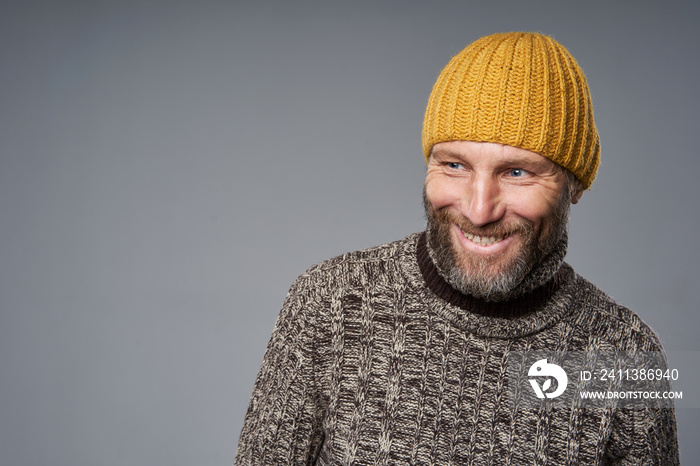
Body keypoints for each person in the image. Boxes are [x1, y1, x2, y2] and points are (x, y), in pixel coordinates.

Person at [234, 32, 679, 465]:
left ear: (575, 185)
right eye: (454, 165)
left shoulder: (623, 357)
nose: (479, 209)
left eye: (518, 172)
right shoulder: (332, 304)